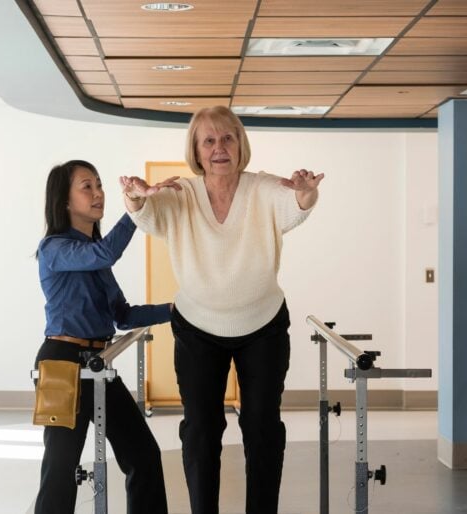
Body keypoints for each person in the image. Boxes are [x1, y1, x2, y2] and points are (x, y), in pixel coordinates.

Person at [119, 106, 324, 514]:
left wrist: (306, 191)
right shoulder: (182, 193)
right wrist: (134, 197)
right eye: (209, 140)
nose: (219, 148)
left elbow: (296, 206)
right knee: (200, 431)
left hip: (262, 326)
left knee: (262, 427)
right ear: (196, 149)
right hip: (198, 328)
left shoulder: (263, 187)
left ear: (240, 144)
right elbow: (150, 216)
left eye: (227, 138)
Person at [33, 159, 174, 514]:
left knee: (143, 454)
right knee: (60, 468)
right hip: (62, 365)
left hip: (99, 365)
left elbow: (123, 315)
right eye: (87, 187)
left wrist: (176, 310)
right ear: (64, 201)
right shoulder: (55, 249)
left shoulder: (96, 259)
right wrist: (135, 209)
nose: (98, 194)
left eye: (99, 185)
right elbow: (105, 251)